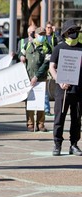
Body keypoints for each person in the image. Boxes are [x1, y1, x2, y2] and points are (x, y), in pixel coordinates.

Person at [49, 19, 82, 156]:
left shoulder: (81, 47)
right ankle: (57, 144)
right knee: (59, 118)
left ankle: (74, 144)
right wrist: (60, 80)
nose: (74, 33)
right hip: (62, 90)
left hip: (78, 90)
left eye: (76, 30)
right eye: (71, 31)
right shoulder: (59, 48)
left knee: (76, 118)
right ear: (65, 33)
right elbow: (52, 67)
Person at [19, 27, 52, 132]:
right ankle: (30, 123)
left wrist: (36, 76)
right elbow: (21, 53)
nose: (42, 36)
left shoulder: (47, 47)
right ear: (35, 35)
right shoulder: (28, 44)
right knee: (29, 101)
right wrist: (21, 57)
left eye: (44, 34)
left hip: (40, 79)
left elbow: (46, 64)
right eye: (40, 34)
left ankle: (41, 124)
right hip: (28, 77)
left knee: (40, 101)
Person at [44, 21, 58, 116]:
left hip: (54, 65)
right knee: (45, 88)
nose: (49, 29)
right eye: (47, 27)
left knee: (57, 87)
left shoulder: (56, 38)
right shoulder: (43, 38)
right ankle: (46, 109)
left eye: (50, 27)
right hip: (46, 65)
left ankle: (57, 109)